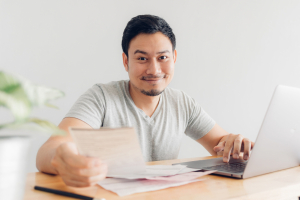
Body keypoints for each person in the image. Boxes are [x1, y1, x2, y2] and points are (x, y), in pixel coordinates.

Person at [36, 14, 254, 187]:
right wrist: (63, 157)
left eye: (162, 57)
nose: (154, 69)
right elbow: (49, 150)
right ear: (125, 61)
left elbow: (222, 146)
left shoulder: (182, 102)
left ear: (174, 58)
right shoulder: (101, 97)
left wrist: (235, 145)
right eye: (142, 58)